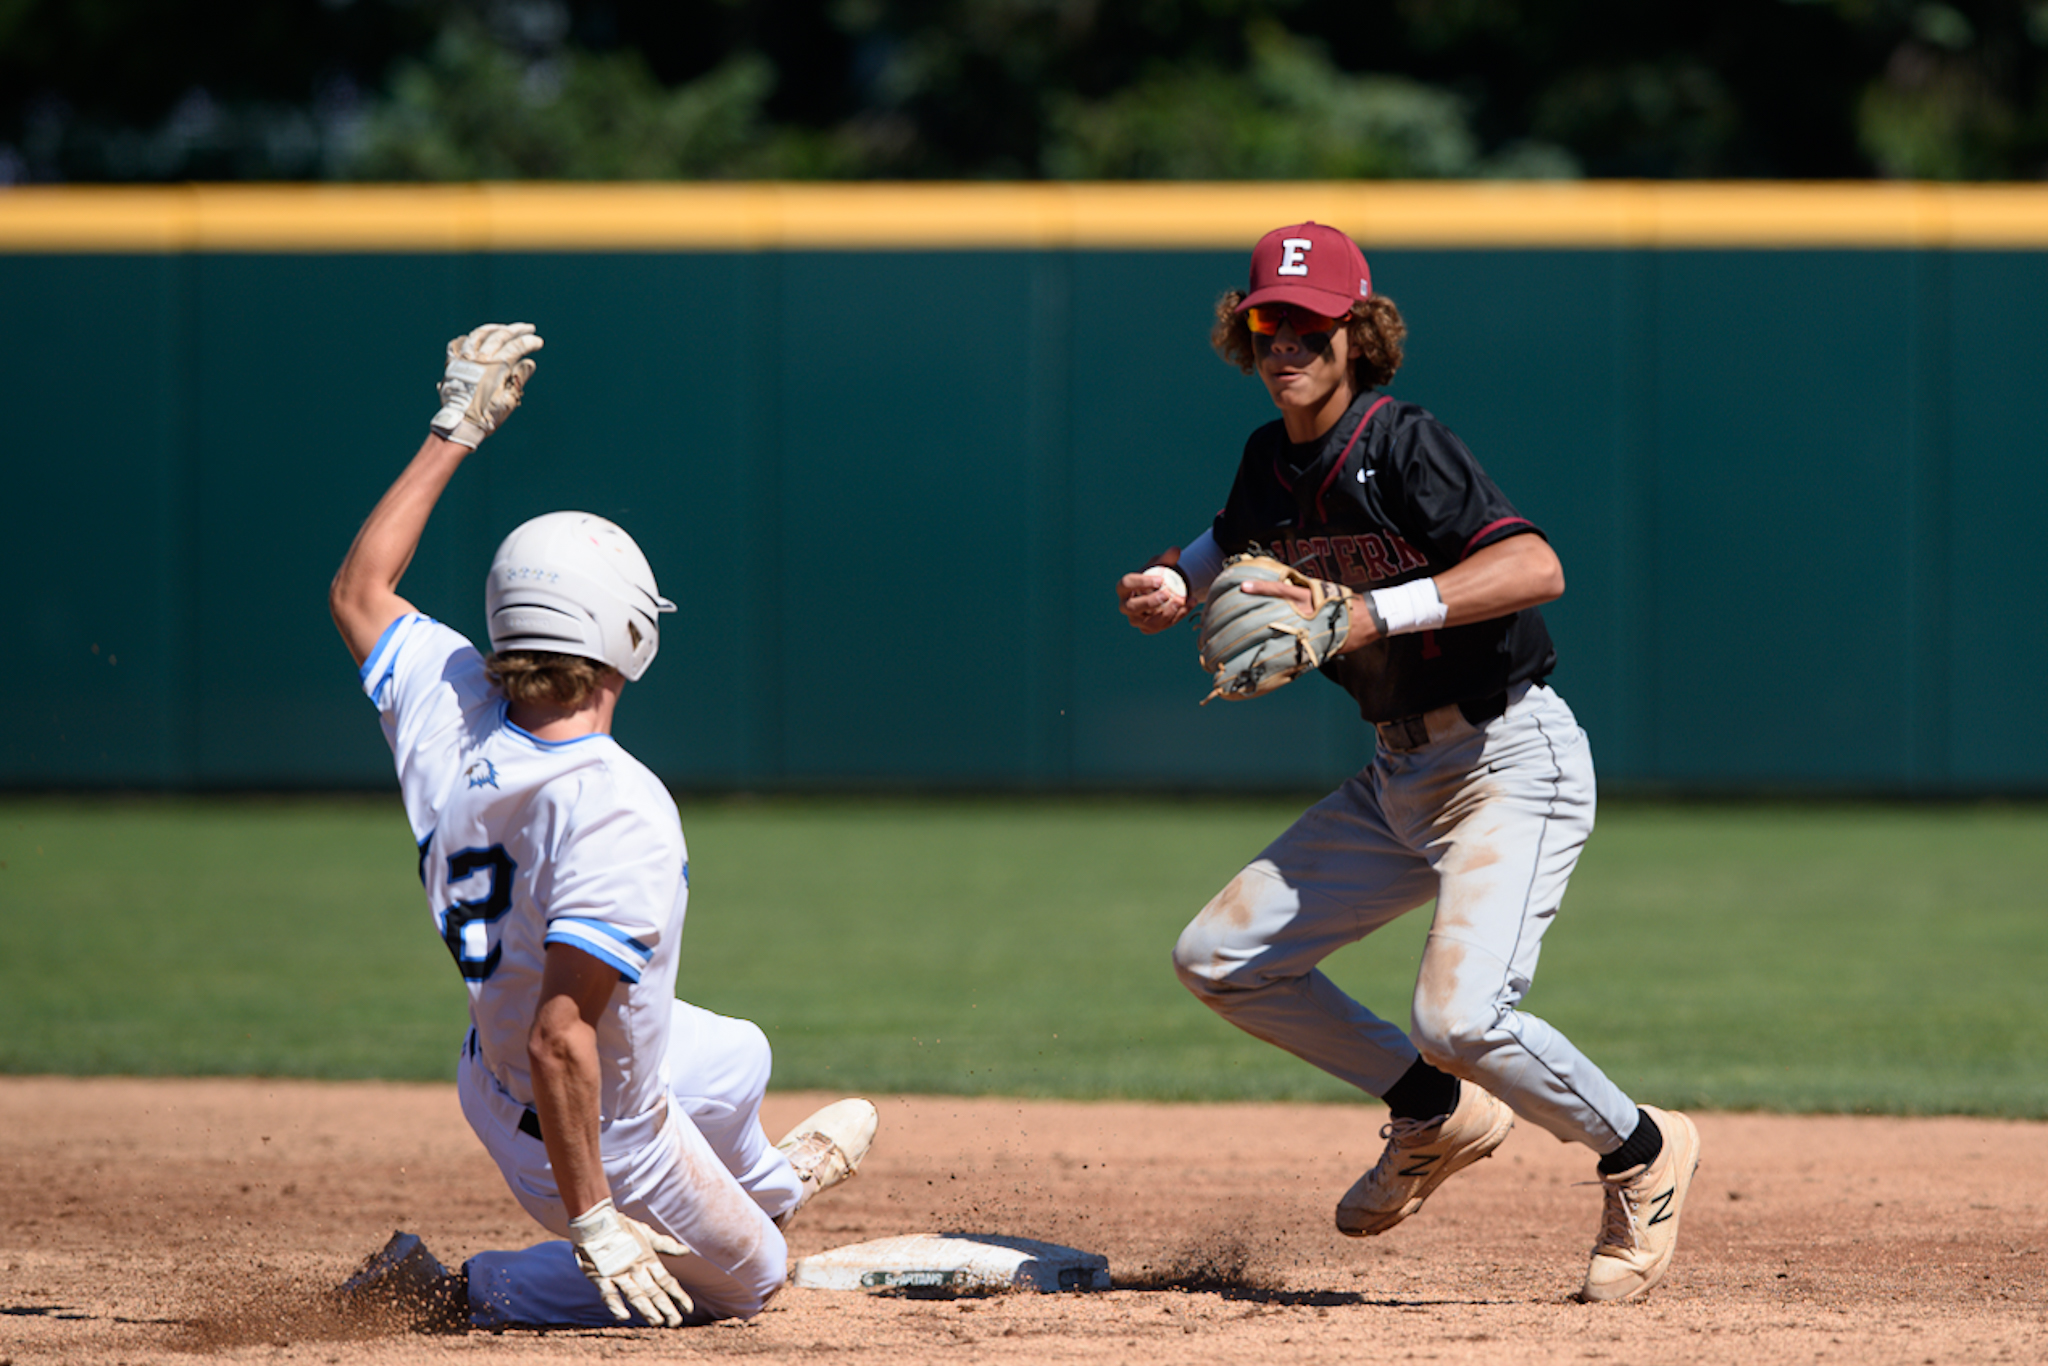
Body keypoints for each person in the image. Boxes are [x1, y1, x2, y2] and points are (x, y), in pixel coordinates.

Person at [1114, 225, 1700, 1303]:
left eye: (1306, 322)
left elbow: (1534, 565)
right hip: (1396, 779)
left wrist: (1364, 611)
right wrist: (1167, 583)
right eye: (1263, 321)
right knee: (1218, 958)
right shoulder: (1266, 460)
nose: (1282, 340)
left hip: (1505, 760)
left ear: (1356, 332)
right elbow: (1214, 544)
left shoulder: (1401, 441)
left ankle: (1640, 1152)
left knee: (1462, 1015)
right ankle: (1432, 1111)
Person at [329, 322, 878, 1331]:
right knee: (751, 1280)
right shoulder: (614, 802)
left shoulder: (451, 709)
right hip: (590, 1131)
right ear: (632, 634)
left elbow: (360, 589)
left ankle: (767, 1180)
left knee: (738, 1055)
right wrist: (591, 1218)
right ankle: (462, 1287)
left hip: (492, 1072)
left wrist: (455, 425)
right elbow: (563, 1038)